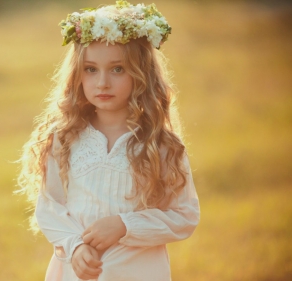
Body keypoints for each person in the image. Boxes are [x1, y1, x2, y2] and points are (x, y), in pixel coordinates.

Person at [17, 1, 200, 280]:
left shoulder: (159, 144)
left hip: (138, 271)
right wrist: (75, 246)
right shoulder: (65, 136)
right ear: (77, 74)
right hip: (78, 271)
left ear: (142, 74)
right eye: (91, 69)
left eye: (117, 69)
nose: (102, 82)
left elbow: (184, 216)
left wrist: (125, 226)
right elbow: (50, 207)